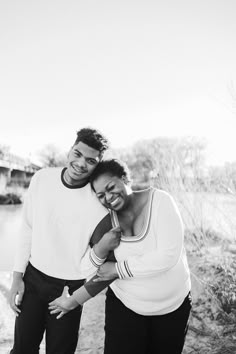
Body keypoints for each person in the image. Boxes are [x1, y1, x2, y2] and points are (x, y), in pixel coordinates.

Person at [49, 158, 192, 354]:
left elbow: (168, 256)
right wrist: (100, 247)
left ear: (125, 178)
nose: (108, 197)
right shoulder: (106, 222)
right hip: (125, 308)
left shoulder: (161, 201)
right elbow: (88, 270)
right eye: (100, 195)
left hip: (173, 307)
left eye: (110, 187)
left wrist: (118, 269)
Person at [8, 127, 114, 354]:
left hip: (68, 288)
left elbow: (97, 257)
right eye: (77, 154)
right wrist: (17, 276)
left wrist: (76, 297)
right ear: (70, 150)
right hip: (33, 279)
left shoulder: (98, 203)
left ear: (98, 164)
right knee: (22, 350)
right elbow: (27, 227)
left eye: (90, 161)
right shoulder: (42, 178)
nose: (80, 163)